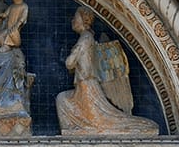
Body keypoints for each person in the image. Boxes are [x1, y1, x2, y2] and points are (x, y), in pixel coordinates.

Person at [56, 8, 158, 136]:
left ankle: (80, 128)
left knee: (96, 117)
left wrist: (71, 56)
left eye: (75, 18)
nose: (72, 21)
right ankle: (73, 128)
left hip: (87, 87)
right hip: (82, 88)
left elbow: (69, 63)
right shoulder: (87, 38)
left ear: (84, 20)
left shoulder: (85, 38)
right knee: (62, 99)